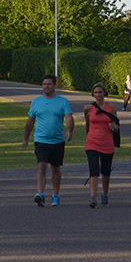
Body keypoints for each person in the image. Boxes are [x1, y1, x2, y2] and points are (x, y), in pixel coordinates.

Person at [22, 74, 74, 207]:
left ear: (54, 85)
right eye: (44, 84)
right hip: (41, 140)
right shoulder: (36, 102)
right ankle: (40, 194)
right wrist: (26, 139)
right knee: (41, 166)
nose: (46, 86)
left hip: (57, 140)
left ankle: (55, 195)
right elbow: (30, 121)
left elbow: (68, 117)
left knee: (55, 169)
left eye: (49, 84)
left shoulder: (63, 101)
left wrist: (69, 130)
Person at [83, 82, 119, 208]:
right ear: (93, 94)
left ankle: (105, 194)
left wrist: (113, 127)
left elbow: (116, 125)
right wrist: (89, 137)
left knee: (106, 171)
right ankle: (92, 198)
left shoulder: (112, 107)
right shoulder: (88, 108)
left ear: (104, 93)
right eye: (96, 92)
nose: (98, 94)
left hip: (107, 142)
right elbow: (87, 124)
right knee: (93, 170)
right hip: (92, 142)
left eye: (100, 92)